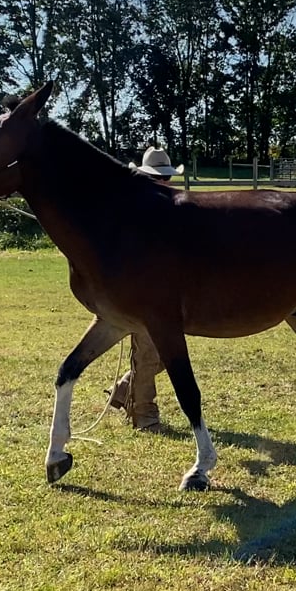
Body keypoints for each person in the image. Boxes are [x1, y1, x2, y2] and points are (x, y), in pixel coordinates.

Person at [107, 144, 184, 431]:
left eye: (165, 177)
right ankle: (145, 416)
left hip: (170, 292)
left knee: (163, 353)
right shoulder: (133, 206)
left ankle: (124, 390)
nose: (163, 182)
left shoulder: (171, 204)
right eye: (158, 177)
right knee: (149, 353)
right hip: (141, 292)